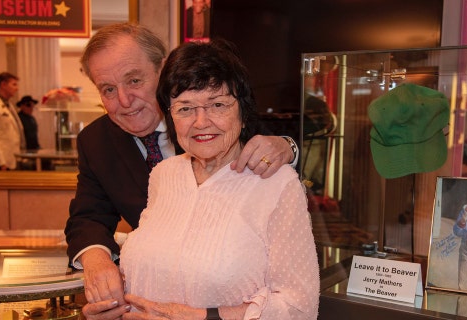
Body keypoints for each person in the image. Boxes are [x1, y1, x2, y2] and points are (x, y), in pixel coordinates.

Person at [63, 22, 297, 319]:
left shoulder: (219, 112)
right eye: (108, 89)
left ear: (163, 71)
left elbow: (278, 144)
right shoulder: (95, 141)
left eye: (134, 81)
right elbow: (88, 214)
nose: (124, 101)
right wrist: (97, 261)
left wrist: (288, 146)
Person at [119, 38, 319, 319]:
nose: (201, 122)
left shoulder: (276, 183)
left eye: (217, 105)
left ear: (243, 112)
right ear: (171, 116)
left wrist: (202, 316)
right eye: (185, 108)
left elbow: (298, 308)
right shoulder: (164, 175)